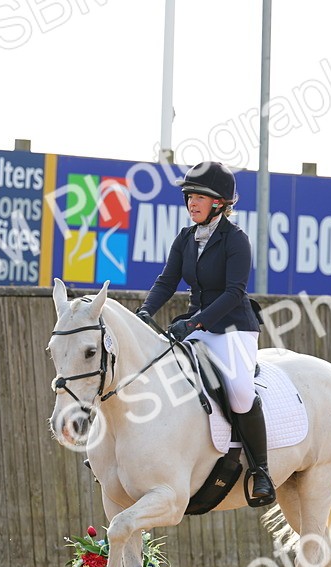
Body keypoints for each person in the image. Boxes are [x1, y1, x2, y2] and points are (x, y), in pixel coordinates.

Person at [137, 161, 275, 507]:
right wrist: (144, 312)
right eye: (189, 197)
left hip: (233, 328)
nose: (192, 203)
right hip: (196, 324)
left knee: (241, 394)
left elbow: (233, 293)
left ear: (219, 204)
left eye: (200, 197)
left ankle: (261, 471)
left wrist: (195, 323)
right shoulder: (185, 238)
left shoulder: (236, 240)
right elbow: (167, 281)